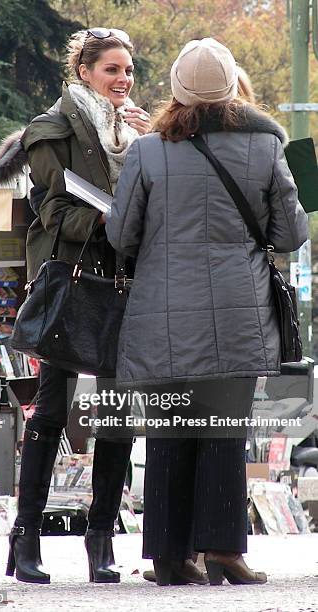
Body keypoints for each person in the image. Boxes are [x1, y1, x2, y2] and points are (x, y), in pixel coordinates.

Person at [106, 38, 308, 586]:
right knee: (223, 431)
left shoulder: (146, 151)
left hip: (160, 315)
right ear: (231, 90)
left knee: (169, 431)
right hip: (238, 316)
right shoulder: (266, 148)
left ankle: (171, 558)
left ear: (175, 91)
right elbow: (290, 234)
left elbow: (121, 234)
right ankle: (223, 552)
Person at [0, 27, 152, 585]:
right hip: (70, 280)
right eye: (112, 69)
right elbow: (53, 211)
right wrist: (112, 219)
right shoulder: (51, 130)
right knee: (52, 409)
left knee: (117, 414)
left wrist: (154, 148)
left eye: (128, 70)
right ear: (83, 71)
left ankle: (101, 536)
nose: (123, 80)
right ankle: (25, 536)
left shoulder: (137, 132)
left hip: (126, 283)